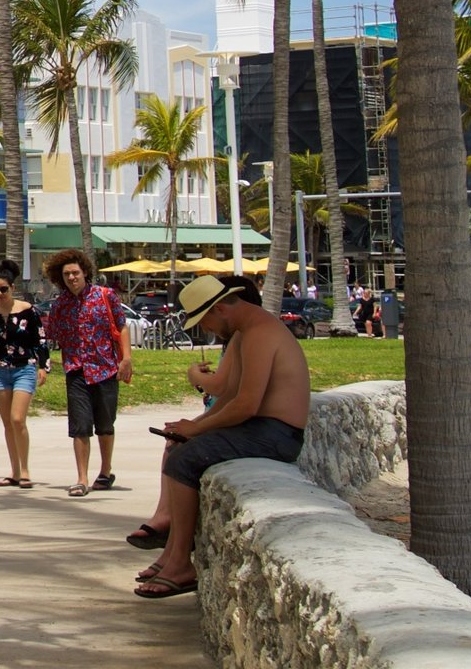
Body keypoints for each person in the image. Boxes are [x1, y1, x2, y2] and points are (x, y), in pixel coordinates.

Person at [130, 275, 311, 599]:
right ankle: (172, 555)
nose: (209, 331)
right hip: (264, 428)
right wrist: (194, 424)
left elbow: (246, 404)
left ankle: (182, 564)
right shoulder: (250, 330)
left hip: (276, 434)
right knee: (181, 448)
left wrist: (197, 428)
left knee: (186, 459)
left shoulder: (259, 332)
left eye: (206, 322)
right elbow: (230, 396)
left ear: (219, 309)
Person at [41, 248, 132, 497]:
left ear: (85, 272)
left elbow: (122, 326)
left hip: (105, 368)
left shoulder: (105, 296)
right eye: (67, 274)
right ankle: (82, 478)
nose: (72, 278)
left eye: (75, 272)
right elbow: (50, 336)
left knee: (105, 423)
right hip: (76, 370)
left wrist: (126, 359)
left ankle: (105, 471)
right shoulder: (60, 305)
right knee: (80, 425)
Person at [0, 259, 47, 489]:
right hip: (0, 369)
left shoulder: (27, 311)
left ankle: (25, 470)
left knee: (18, 419)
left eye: (3, 289)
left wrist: (43, 366)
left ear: (12, 288)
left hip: (24, 367)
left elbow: (40, 339)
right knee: (7, 423)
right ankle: (15, 471)